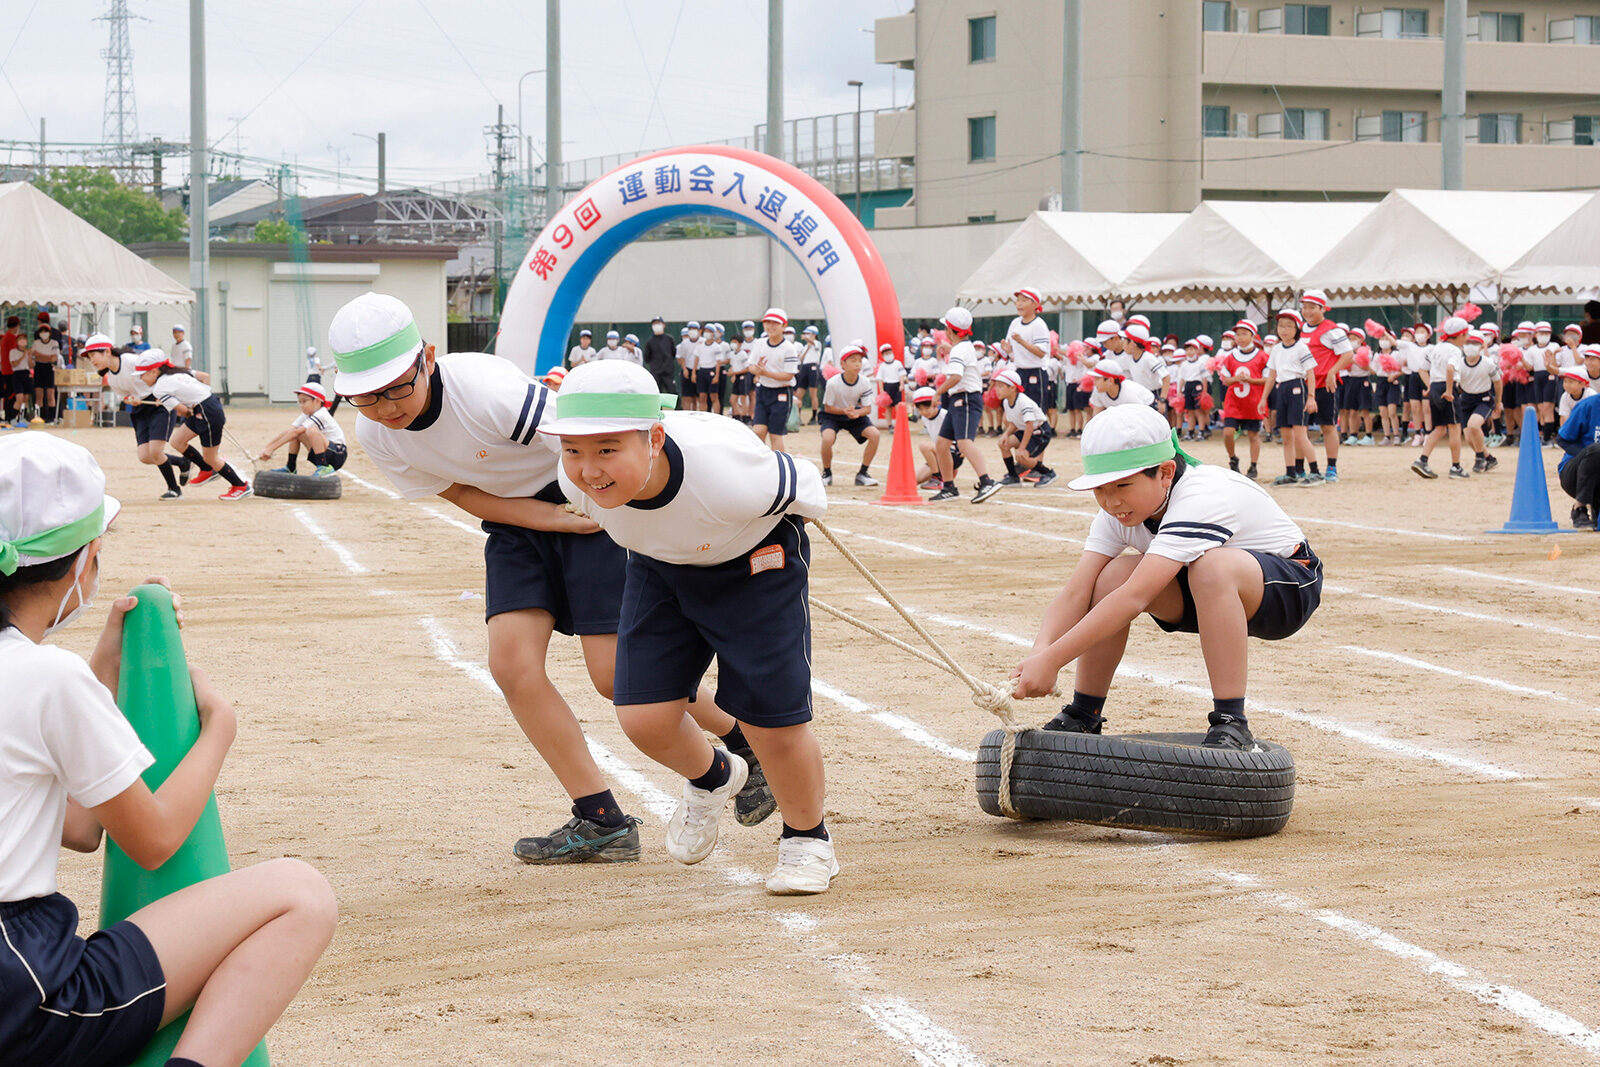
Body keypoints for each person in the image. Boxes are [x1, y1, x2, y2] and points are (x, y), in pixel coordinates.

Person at [327, 292, 772, 863]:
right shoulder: (377, 436)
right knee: (511, 666)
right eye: (365, 396)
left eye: (395, 388)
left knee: (616, 678)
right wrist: (544, 521)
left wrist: (597, 508)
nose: (385, 407)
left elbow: (584, 443)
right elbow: (460, 492)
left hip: (587, 500)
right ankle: (606, 817)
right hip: (519, 524)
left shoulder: (488, 390)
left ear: (429, 358)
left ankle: (743, 741)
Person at [0, 433, 336, 1067]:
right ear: (82, 561)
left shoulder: (51, 677)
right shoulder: (47, 677)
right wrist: (219, 733)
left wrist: (102, 668)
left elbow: (74, 826)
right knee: (301, 892)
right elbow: (150, 840)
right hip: (25, 998)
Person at [545, 360, 838, 894]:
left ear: (654, 437)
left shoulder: (724, 473)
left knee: (773, 720)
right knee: (644, 717)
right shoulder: (575, 479)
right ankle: (714, 778)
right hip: (659, 567)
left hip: (755, 564)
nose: (589, 469)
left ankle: (807, 840)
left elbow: (806, 487)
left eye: (607, 449)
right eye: (574, 449)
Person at [1010, 404, 1322, 751]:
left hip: (1288, 587)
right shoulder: (1119, 512)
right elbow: (1075, 592)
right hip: (1204, 591)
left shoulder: (1201, 495)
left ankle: (1231, 721)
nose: (1111, 502)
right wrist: (1040, 652)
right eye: (1100, 490)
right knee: (1111, 576)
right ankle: (1084, 714)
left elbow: (1136, 598)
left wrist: (1053, 661)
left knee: (1211, 567)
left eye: (1122, 485)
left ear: (1165, 473)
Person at [138, 352, 254, 501]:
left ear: (154, 371)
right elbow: (205, 377)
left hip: (206, 411)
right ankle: (206, 469)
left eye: (142, 374)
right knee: (177, 442)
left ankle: (240, 486)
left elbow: (182, 411)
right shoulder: (179, 371)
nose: (141, 378)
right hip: (207, 404)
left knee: (211, 457)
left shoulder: (159, 388)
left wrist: (194, 409)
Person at [84, 334, 185, 500]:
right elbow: (125, 396)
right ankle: (182, 462)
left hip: (158, 402)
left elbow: (156, 370)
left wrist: (164, 393)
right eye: (89, 357)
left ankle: (174, 489)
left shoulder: (130, 360)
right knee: (145, 456)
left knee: (156, 451)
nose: (92, 360)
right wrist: (131, 399)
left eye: (93, 355)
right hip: (141, 409)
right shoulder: (111, 377)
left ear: (107, 351)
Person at [928, 307, 1000, 504]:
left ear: (950, 330)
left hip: (966, 398)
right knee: (942, 444)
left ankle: (987, 481)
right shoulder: (964, 347)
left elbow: (957, 376)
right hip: (960, 399)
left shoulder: (959, 350)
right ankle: (949, 486)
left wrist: (937, 392)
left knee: (964, 443)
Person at [1258, 309, 1319, 486]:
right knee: (1286, 436)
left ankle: (1315, 471)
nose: (1284, 329)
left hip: (1297, 387)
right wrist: (1263, 399)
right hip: (1281, 388)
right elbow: (1271, 376)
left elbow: (1311, 373)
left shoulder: (1301, 347)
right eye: (1281, 325)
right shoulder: (1276, 349)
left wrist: (1311, 397)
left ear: (1297, 329)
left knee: (1300, 433)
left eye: (1289, 326)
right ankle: (1290, 472)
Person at [1298, 290, 1354, 483]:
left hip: (1324, 385)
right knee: (1299, 428)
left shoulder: (1332, 330)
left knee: (1328, 426)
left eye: (1312, 307)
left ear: (1323, 309)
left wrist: (1332, 371)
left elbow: (1348, 354)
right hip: (1302, 385)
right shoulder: (1299, 329)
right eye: (1304, 307)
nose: (1307, 311)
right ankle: (1299, 469)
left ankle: (1331, 468)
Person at [1411, 316, 1470, 480]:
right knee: (1455, 427)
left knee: (1439, 428)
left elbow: (1422, 369)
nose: (1467, 338)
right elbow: (1450, 369)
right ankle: (1456, 466)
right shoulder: (1455, 351)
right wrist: (1450, 391)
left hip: (1436, 387)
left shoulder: (1436, 348)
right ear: (1459, 335)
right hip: (1447, 387)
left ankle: (1422, 460)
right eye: (1465, 335)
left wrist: (1430, 385)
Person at [817, 342, 880, 488]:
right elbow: (828, 407)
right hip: (833, 415)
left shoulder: (864, 382)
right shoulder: (833, 383)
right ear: (843, 364)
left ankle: (863, 474)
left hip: (854, 415)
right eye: (853, 360)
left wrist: (856, 413)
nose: (858, 364)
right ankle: (827, 473)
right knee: (827, 438)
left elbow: (867, 408)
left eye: (859, 360)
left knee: (875, 435)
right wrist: (844, 411)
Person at [257, 381, 347, 476]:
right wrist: (267, 447)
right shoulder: (307, 414)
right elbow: (290, 431)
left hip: (337, 454)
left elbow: (295, 432)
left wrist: (272, 448)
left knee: (310, 430)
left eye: (304, 401)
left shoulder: (321, 414)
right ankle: (290, 467)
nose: (301, 405)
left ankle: (323, 467)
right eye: (300, 402)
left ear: (317, 401)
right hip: (325, 452)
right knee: (295, 433)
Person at [1219, 319, 1268, 480]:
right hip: (1234, 402)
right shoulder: (1231, 356)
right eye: (1237, 334)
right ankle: (1233, 459)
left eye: (1244, 334)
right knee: (1228, 433)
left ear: (1253, 336)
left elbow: (1268, 379)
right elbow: (1225, 379)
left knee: (1253, 435)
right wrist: (1236, 379)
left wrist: (1251, 381)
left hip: (1253, 402)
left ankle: (1253, 466)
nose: (1240, 337)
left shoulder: (1262, 356)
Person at [992, 368, 1057, 488]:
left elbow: (1030, 425)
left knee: (1021, 456)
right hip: (1025, 430)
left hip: (1040, 431)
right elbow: (1015, 423)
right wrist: (1006, 434)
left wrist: (1022, 448)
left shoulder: (1023, 402)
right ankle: (1013, 477)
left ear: (1012, 388)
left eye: (1001, 386)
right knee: (1003, 444)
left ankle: (1048, 473)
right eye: (997, 386)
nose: (997, 390)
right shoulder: (1007, 402)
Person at [1453, 329, 1502, 474]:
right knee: (1469, 438)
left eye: (1475, 343)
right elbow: (1457, 383)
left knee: (1474, 426)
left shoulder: (1488, 363)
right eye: (1468, 342)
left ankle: (1480, 457)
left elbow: (1498, 382)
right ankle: (1489, 458)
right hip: (1466, 400)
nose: (1470, 346)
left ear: (1482, 346)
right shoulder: (1459, 363)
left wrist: (1498, 402)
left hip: (1484, 399)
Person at [751, 309, 799, 451]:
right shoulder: (760, 343)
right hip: (763, 391)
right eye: (767, 322)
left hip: (782, 393)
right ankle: (760, 464)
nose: (770, 326)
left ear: (784, 326)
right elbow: (751, 366)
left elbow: (789, 375)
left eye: (775, 323)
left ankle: (780, 466)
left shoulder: (789, 348)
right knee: (758, 431)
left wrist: (765, 373)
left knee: (775, 435)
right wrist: (758, 371)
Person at [1004, 287, 1053, 413]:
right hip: (1019, 371)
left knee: (1036, 410)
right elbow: (1011, 352)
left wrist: (1021, 342)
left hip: (1036, 372)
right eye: (1018, 300)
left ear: (1035, 304)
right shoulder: (1015, 323)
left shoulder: (1039, 324)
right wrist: (1008, 350)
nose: (1019, 303)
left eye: (1024, 300)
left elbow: (1041, 353)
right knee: (1019, 410)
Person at [1557, 387, 1600, 529]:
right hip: (1574, 474)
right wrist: (1587, 455)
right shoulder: (1589, 405)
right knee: (1596, 449)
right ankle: (1579, 508)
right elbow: (1563, 439)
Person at [911, 386, 963, 488]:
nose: (924, 412)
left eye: (927, 408)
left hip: (953, 452)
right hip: (938, 455)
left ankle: (937, 478)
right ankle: (947, 472)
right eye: (920, 409)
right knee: (913, 480)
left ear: (936, 403)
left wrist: (962, 448)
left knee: (924, 445)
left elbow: (961, 430)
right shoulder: (925, 419)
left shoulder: (945, 415)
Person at [1086, 361, 1155, 414]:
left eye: (1097, 379)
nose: (1094, 382)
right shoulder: (1098, 390)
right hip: (1123, 412)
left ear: (1110, 380)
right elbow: (1097, 416)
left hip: (1148, 407)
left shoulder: (1129, 394)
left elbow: (1139, 418)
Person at [30, 324, 61, 424]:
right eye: (42, 331)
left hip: (49, 368)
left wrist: (41, 356)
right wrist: (47, 357)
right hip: (38, 368)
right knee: (39, 395)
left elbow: (54, 358)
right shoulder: (36, 343)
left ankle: (51, 417)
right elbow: (34, 356)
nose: (44, 334)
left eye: (46, 331)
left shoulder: (54, 343)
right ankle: (40, 416)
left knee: (50, 395)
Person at [796, 324, 824, 424]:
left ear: (814, 335)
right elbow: (801, 358)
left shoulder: (817, 343)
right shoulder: (805, 346)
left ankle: (813, 417)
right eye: (805, 333)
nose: (806, 335)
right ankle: (797, 417)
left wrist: (809, 341)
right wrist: (807, 348)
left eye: (808, 333)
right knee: (799, 393)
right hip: (804, 367)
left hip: (813, 367)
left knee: (813, 394)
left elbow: (813, 343)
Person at [643, 316, 678, 394]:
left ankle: (677, 406)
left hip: (668, 372)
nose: (656, 325)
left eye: (658, 323)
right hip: (656, 372)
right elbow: (647, 358)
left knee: (672, 392)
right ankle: (658, 407)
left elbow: (673, 353)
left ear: (663, 325)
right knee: (656, 393)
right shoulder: (650, 342)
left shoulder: (669, 339)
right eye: (654, 324)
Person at [3, 315, 25, 423]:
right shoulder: (11, 338)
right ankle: (9, 417)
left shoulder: (6, 336)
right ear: (17, 326)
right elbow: (15, 353)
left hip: (5, 369)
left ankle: (8, 417)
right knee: (12, 395)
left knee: (9, 394)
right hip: (12, 370)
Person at [676, 323, 700, 407]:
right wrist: (684, 369)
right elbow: (681, 357)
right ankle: (687, 412)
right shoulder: (684, 343)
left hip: (700, 370)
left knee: (698, 395)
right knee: (687, 395)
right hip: (687, 369)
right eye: (690, 329)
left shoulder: (702, 341)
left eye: (694, 328)